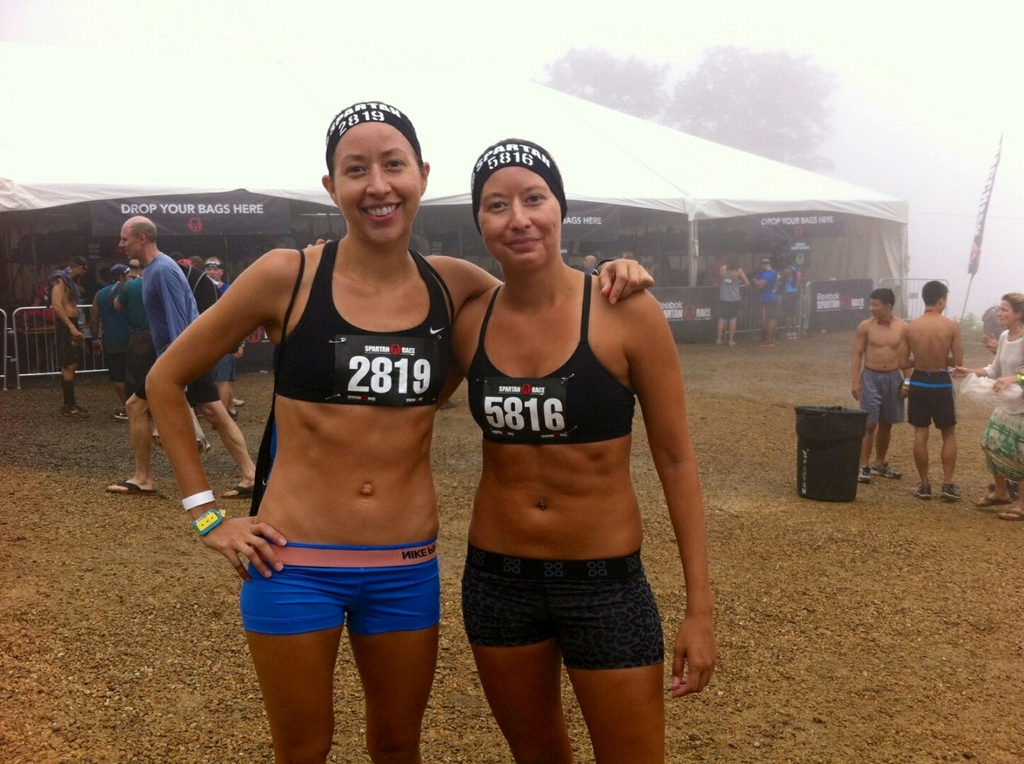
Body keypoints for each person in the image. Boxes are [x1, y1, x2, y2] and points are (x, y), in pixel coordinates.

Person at [142, 102, 650, 764]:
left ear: (422, 176)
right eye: (356, 170)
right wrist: (207, 516)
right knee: (302, 751)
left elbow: (541, 296)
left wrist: (613, 273)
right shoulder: (287, 276)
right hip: (293, 564)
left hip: (404, 567)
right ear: (331, 187)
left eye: (393, 165)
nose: (377, 185)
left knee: (397, 746)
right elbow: (165, 378)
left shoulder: (455, 285)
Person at [448, 138, 715, 764]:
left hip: (605, 583)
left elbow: (677, 459)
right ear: (480, 223)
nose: (518, 218)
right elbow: (388, 414)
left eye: (534, 198)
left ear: (560, 209)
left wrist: (699, 610)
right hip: (498, 581)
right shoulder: (469, 320)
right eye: (496, 205)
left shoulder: (627, 311)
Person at [106, 217, 255, 498]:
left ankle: (144, 478)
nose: (121, 244)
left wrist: (176, 376)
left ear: (142, 238)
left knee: (135, 406)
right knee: (215, 412)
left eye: (125, 238)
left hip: (181, 355)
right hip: (183, 354)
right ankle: (250, 475)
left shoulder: (163, 270)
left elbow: (180, 323)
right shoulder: (153, 269)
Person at [952, 293, 1024, 517]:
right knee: (990, 442)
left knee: (1020, 451)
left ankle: (1022, 505)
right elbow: (995, 369)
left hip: (1022, 405)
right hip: (1006, 401)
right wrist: (969, 371)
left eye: (1004, 309)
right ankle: (1001, 492)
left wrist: (1015, 378)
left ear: (1017, 314)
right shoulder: (1004, 337)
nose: (999, 313)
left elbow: (1017, 375)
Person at [902, 280, 963, 501]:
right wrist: (940, 358)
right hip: (940, 381)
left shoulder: (911, 327)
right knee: (948, 432)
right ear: (941, 300)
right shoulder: (951, 326)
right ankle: (947, 484)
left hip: (919, 380)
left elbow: (902, 362)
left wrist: (920, 360)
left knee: (920, 432)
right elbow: (958, 362)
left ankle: (925, 485)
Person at [851, 288, 909, 484]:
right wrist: (855, 381)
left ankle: (880, 463)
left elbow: (907, 358)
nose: (871, 308)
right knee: (869, 423)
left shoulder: (903, 327)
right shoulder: (865, 326)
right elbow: (857, 354)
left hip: (893, 377)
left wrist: (907, 382)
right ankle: (864, 465)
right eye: (870, 304)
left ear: (888, 306)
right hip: (870, 377)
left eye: (875, 305)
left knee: (886, 423)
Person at [47, 255, 90, 417]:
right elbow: (56, 304)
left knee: (70, 363)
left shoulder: (67, 280)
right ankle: (70, 405)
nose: (82, 274)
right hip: (66, 324)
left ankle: (68, 403)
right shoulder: (59, 279)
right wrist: (70, 326)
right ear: (79, 267)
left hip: (70, 322)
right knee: (70, 364)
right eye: (83, 271)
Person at [90, 263, 133, 419]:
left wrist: (95, 339)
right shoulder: (131, 291)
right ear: (121, 276)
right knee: (137, 373)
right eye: (129, 275)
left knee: (118, 376)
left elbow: (94, 319)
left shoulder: (100, 294)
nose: (131, 278)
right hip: (134, 338)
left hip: (113, 340)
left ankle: (128, 407)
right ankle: (141, 406)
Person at [204, 257, 245, 418]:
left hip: (226, 340)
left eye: (215, 269)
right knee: (220, 379)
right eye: (209, 269)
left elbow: (239, 318)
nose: (211, 272)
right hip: (209, 339)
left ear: (221, 272)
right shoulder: (202, 289)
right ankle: (230, 409)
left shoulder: (229, 290)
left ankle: (221, 418)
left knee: (222, 380)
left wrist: (241, 343)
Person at [716, 260, 748, 346]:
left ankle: (719, 339)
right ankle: (731, 340)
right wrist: (738, 282)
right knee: (733, 318)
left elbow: (720, 280)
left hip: (724, 297)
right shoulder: (738, 271)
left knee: (722, 318)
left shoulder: (722, 269)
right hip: (734, 298)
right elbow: (747, 282)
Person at [752, 257, 778, 347]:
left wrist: (756, 281)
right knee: (768, 319)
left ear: (764, 264)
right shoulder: (774, 272)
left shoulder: (767, 274)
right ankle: (766, 337)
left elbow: (760, 286)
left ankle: (769, 339)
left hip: (768, 299)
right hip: (772, 297)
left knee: (769, 319)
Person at [778, 265, 800, 339]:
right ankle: (794, 332)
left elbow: (781, 279)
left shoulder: (786, 271)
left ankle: (788, 333)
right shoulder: (795, 272)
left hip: (787, 294)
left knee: (788, 314)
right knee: (793, 314)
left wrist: (780, 275)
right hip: (794, 293)